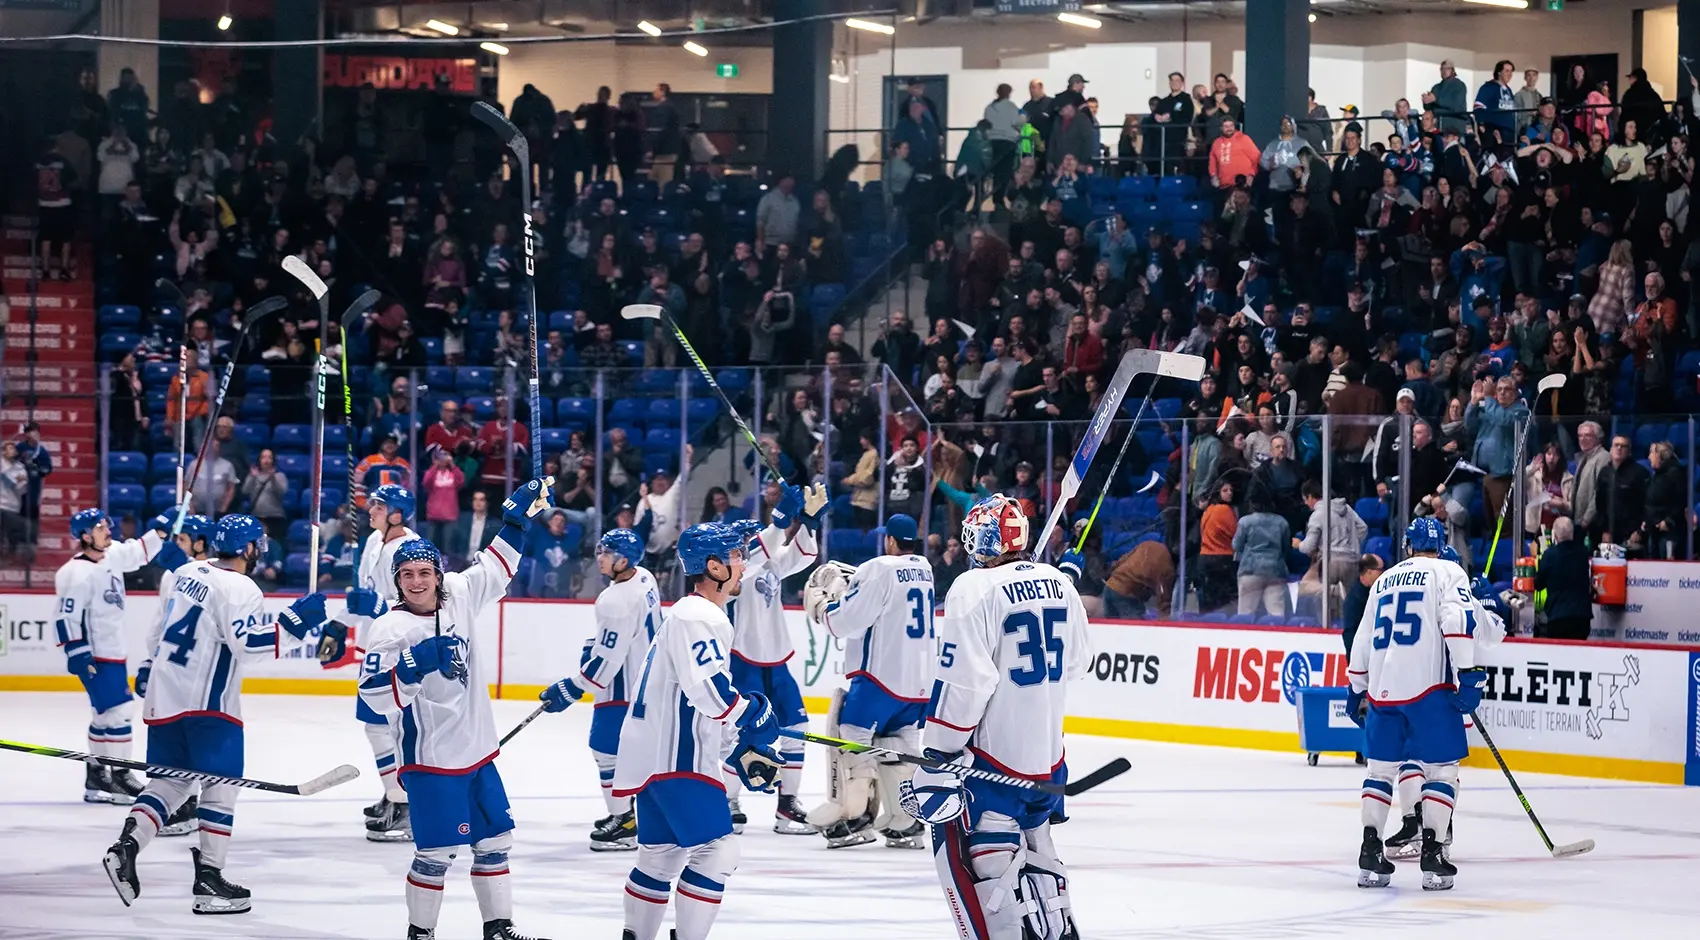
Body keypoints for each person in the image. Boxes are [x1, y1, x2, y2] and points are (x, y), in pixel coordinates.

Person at [352, 478, 553, 940]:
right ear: (397, 581)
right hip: (432, 760)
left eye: (424, 573)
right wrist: (413, 665)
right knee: (438, 854)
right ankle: (420, 933)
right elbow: (374, 696)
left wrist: (516, 520)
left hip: (478, 752)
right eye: (408, 576)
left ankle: (498, 929)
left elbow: (499, 566)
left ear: (438, 575)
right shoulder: (390, 629)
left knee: (495, 842)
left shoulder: (461, 592)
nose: (417, 582)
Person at [102, 514, 328, 915]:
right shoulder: (241, 586)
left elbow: (159, 628)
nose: (260, 551)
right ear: (247, 549)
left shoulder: (188, 571)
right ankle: (209, 877)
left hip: (163, 695)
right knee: (221, 787)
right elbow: (250, 646)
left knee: (171, 785)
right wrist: (298, 624)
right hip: (206, 702)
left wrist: (148, 663)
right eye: (258, 545)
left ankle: (127, 846)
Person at [901, 493, 1088, 940]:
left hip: (994, 763)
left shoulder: (972, 588)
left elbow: (965, 682)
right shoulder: (1061, 582)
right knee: (1040, 852)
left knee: (992, 870)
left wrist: (939, 752)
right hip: (1047, 761)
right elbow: (1078, 661)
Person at [608, 521, 786, 940]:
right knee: (717, 851)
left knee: (660, 857)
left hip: (656, 753)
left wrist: (737, 742)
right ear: (714, 566)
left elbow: (694, 696)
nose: (743, 564)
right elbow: (710, 692)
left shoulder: (690, 614)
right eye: (737, 556)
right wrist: (751, 717)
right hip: (676, 756)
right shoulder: (699, 615)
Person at [1347, 517, 1479, 892]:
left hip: (1383, 690)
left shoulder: (1384, 579)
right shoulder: (1448, 572)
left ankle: (1370, 850)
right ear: (1440, 545)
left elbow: (1363, 636)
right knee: (1441, 771)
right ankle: (1433, 854)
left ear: (1408, 545)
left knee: (1380, 770)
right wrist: (1468, 673)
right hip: (1429, 689)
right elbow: (1456, 621)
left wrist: (1356, 685)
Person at [801, 513, 934, 849]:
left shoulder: (878, 568)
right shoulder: (925, 569)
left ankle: (852, 817)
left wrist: (823, 606)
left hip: (880, 678)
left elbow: (847, 622)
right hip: (918, 684)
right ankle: (906, 822)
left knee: (849, 732)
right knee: (900, 743)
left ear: (890, 540)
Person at [538, 529, 661, 852]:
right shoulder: (644, 577)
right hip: (647, 679)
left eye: (606, 554)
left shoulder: (616, 600)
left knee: (605, 751)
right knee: (636, 753)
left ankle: (623, 823)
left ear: (623, 560)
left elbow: (607, 663)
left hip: (622, 688)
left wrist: (571, 688)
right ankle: (632, 813)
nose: (599, 558)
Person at [318, 483, 421, 839]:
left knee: (397, 731)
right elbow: (365, 598)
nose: (370, 510)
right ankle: (395, 794)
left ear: (396, 514)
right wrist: (336, 625)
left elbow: (416, 606)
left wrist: (375, 607)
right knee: (379, 728)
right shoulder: (374, 542)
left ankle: (407, 805)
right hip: (373, 647)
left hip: (399, 649)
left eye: (378, 505)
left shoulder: (411, 549)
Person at [724, 482, 827, 834]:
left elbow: (802, 557)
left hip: (776, 659)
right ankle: (728, 801)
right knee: (739, 732)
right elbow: (756, 553)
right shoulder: (733, 572)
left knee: (797, 728)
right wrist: (780, 521)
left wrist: (808, 523)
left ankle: (787, 806)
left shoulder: (767, 563)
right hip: (743, 660)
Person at [134, 513, 216, 837]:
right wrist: (149, 660)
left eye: (181, 540)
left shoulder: (212, 575)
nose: (175, 546)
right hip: (169, 667)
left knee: (192, 737)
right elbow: (161, 622)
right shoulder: (175, 575)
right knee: (171, 735)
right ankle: (183, 803)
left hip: (197, 672)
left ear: (200, 543)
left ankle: (189, 804)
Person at [1533, 517, 1592, 639]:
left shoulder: (1549, 555)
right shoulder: (1584, 554)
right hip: (1582, 618)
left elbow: (1538, 585)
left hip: (1558, 617)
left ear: (1555, 534)